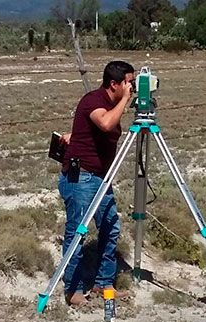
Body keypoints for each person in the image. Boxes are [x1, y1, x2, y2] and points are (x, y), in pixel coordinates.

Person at [58, 61, 135, 306]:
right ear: (115, 84)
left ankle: (104, 283)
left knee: (110, 227)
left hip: (102, 178)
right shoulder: (93, 100)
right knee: (77, 232)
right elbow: (104, 123)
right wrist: (124, 102)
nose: (132, 86)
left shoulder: (111, 105)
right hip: (81, 177)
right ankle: (73, 290)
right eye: (129, 82)